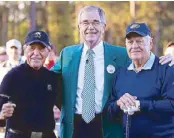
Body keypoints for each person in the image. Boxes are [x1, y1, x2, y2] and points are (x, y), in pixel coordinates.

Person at [51, 6, 174, 138]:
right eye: (85, 22)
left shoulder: (121, 54)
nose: (90, 27)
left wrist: (169, 58)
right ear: (79, 27)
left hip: (107, 126)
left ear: (103, 27)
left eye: (96, 22)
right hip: (74, 126)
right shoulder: (68, 54)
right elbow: (49, 79)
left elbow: (143, 57)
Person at [106, 23, 174, 138]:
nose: (134, 46)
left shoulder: (167, 68)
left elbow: (172, 105)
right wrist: (118, 104)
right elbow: (109, 111)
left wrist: (140, 105)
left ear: (150, 43)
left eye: (139, 41)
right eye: (130, 42)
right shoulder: (120, 73)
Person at [0, 30, 62, 138]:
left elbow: (67, 107)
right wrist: (1, 115)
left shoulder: (52, 78)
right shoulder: (12, 77)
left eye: (41, 48)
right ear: (24, 50)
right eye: (32, 48)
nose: (36, 53)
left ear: (48, 51)